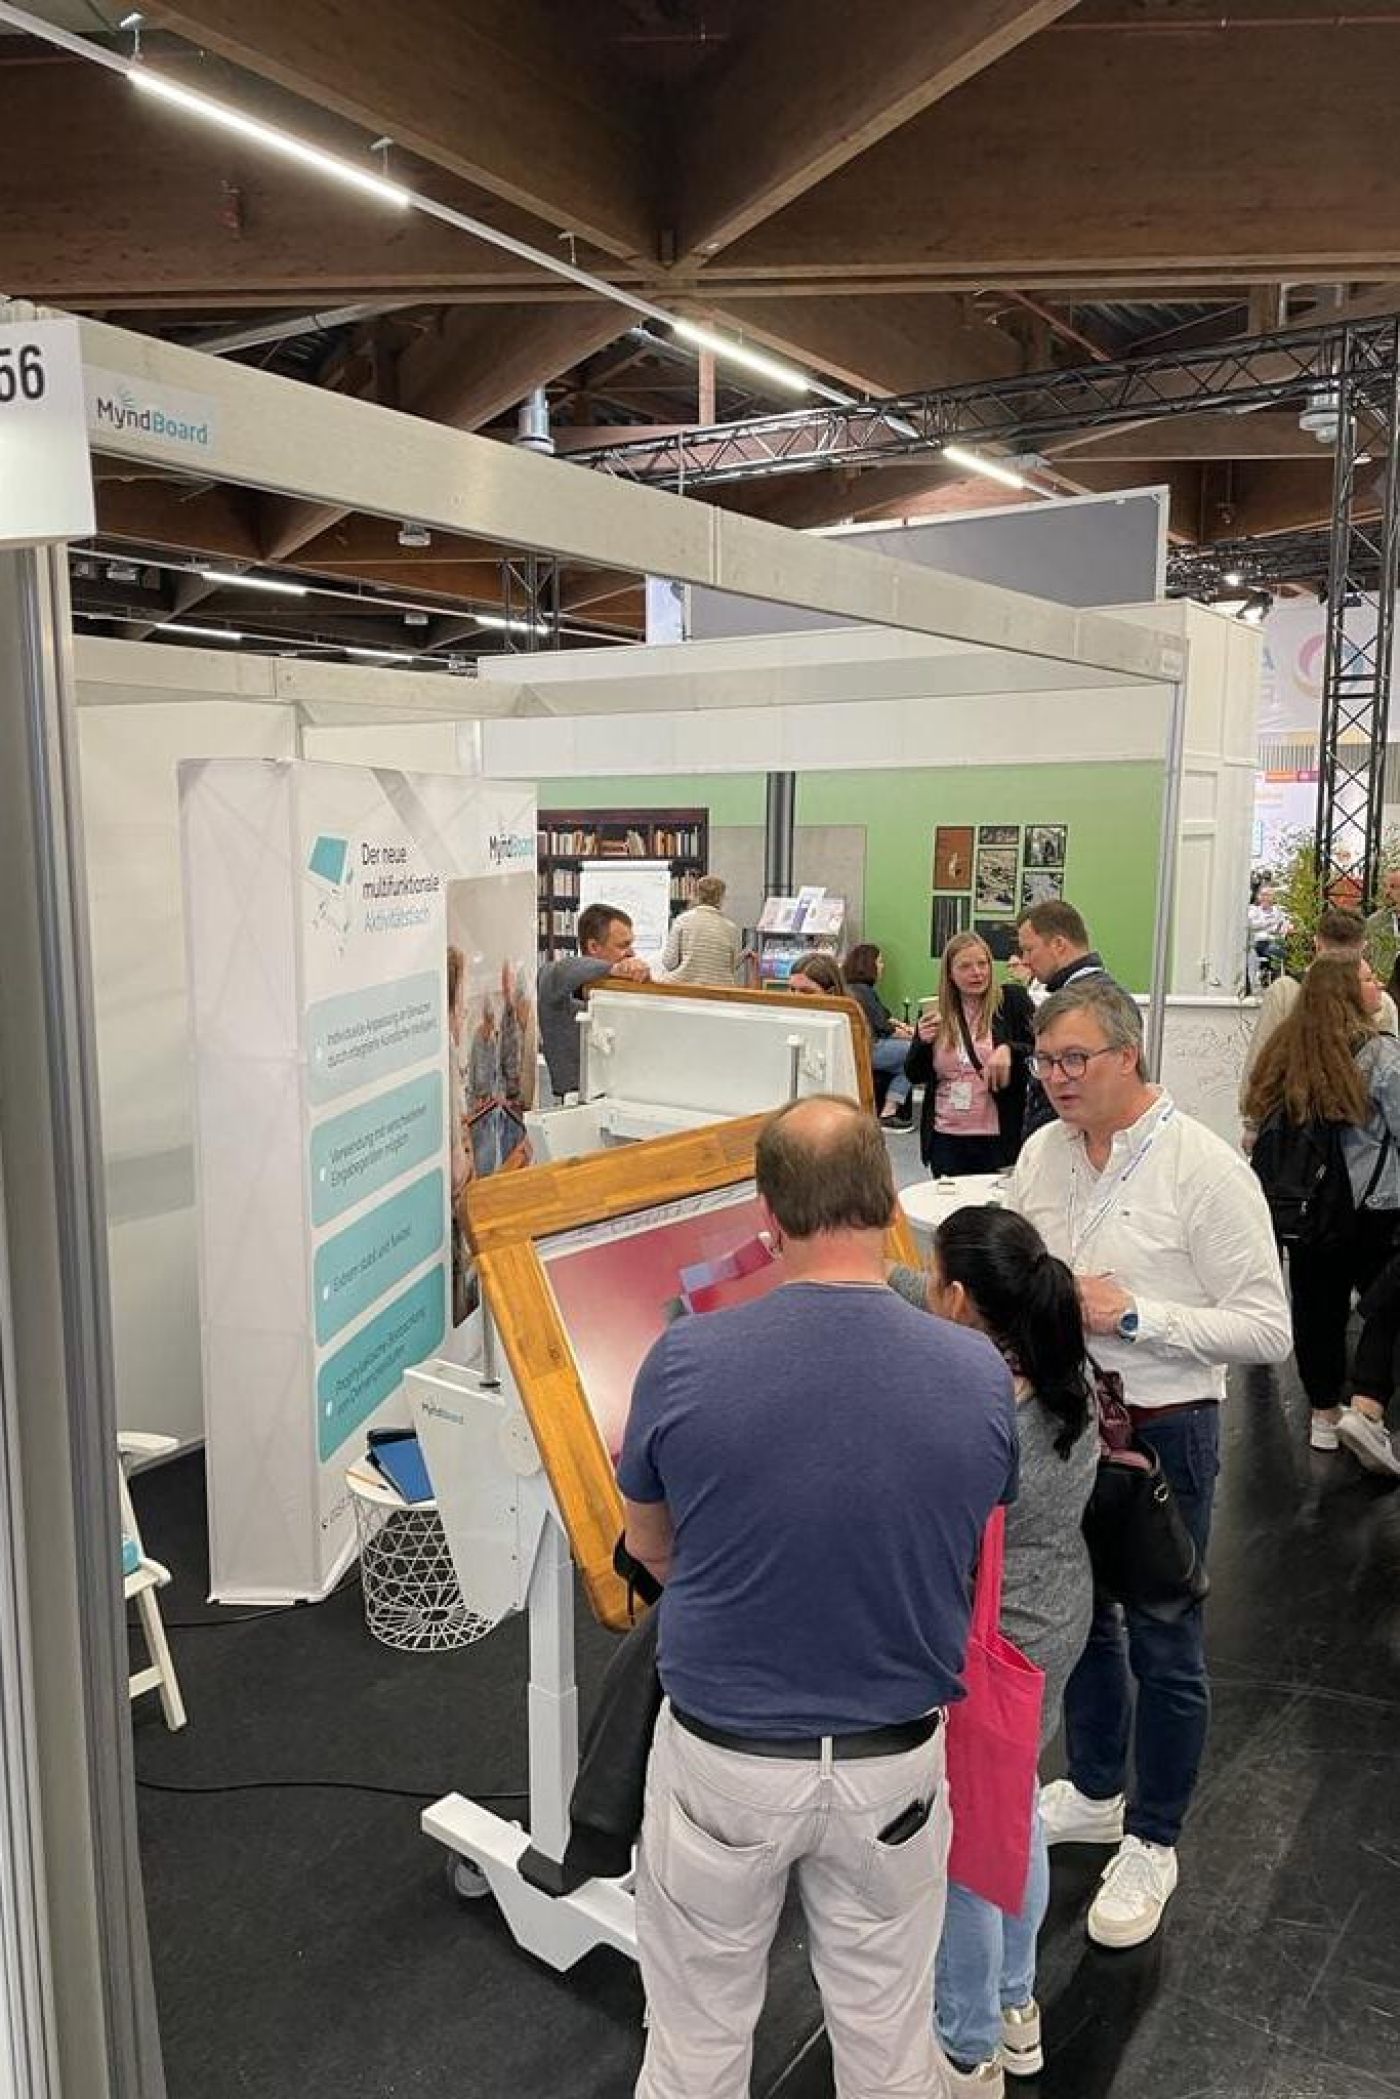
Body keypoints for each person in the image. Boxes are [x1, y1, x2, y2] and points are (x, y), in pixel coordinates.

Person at [618, 1097, 1019, 2099]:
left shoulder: (685, 1358)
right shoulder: (975, 1369)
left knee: (694, 2044)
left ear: (768, 1212)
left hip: (725, 1756)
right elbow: (961, 1537)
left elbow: (649, 1546)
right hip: (896, 1760)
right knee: (888, 2045)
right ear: (887, 1196)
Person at [1006, 979, 1290, 1948]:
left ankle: (1154, 1837)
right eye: (1044, 1060)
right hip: (1061, 1425)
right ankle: (1094, 1789)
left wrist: (1133, 1314)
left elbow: (1266, 1328)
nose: (1054, 1078)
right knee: (1083, 1621)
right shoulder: (1042, 1153)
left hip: (1165, 1431)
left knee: (1166, 1640)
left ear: (1127, 1055)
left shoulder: (1203, 1169)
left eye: (1073, 1059)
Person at [891, 1208, 1096, 2093]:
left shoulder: (976, 1417)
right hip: (1053, 1621)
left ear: (961, 1298)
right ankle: (1017, 2004)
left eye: (935, 1275)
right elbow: (908, 1287)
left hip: (991, 1649)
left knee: (969, 1852)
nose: (924, 1283)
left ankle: (965, 2044)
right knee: (1016, 1817)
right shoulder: (1059, 1365)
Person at [1241, 956, 1400, 1463]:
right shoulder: (1381, 1054)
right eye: (1369, 978)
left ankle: (1323, 1416)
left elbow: (1255, 1114)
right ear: (1348, 993)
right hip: (1373, 1207)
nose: (1378, 984)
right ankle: (1369, 1405)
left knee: (1315, 1309)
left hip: (1304, 1208)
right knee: (1384, 1305)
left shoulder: (1285, 1052)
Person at [1239, 907, 1399, 1139]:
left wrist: (1252, 1124)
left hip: (1294, 1125)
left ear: (1317, 943)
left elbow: (1261, 1059)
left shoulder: (1285, 991)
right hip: (1358, 1135)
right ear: (1363, 946)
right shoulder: (1380, 1003)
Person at [904, 930, 1034, 1178]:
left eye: (982, 964)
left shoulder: (1012, 1002)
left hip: (997, 1137)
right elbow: (914, 1074)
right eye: (965, 966)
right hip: (946, 1135)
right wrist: (921, 1042)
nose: (977, 972)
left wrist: (1009, 1050)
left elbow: (1039, 1052)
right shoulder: (935, 1011)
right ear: (950, 973)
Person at [1015, 901, 1115, 1139]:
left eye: (1029, 950)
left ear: (1059, 944)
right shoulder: (1083, 997)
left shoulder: (1090, 1003)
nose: (1024, 961)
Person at [536, 902, 649, 1100]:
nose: (631, 953)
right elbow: (552, 974)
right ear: (594, 947)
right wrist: (613, 969)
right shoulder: (561, 989)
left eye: (631, 945)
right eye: (622, 946)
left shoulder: (618, 987)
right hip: (578, 1102)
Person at [843, 942, 915, 1128]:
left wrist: (903, 1027)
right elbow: (884, 1028)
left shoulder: (854, 989)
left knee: (906, 1063)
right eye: (880, 961)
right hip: (869, 1048)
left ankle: (890, 1109)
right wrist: (914, 1036)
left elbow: (885, 1016)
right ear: (869, 964)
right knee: (913, 1053)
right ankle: (889, 1110)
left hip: (860, 1046)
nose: (883, 966)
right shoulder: (863, 991)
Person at [659, 874, 742, 986]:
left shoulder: (683, 920)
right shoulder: (731, 928)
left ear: (696, 895)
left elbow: (669, 962)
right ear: (721, 898)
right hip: (721, 989)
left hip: (685, 987)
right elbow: (732, 966)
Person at [1245, 883, 1290, 992]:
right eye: (1263, 894)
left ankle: (1277, 981)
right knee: (1275, 950)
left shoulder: (1277, 911)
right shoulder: (1254, 910)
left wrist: (1277, 928)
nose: (1265, 897)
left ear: (1273, 897)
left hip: (1275, 942)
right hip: (1259, 943)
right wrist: (1270, 924)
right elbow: (1252, 925)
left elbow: (1283, 926)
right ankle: (1271, 978)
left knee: (1285, 950)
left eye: (1268, 895)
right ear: (1258, 896)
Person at [1365, 865, 1400, 983]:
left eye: (1394, 887)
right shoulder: (1374, 922)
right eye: (1386, 886)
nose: (1387, 892)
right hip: (1382, 986)